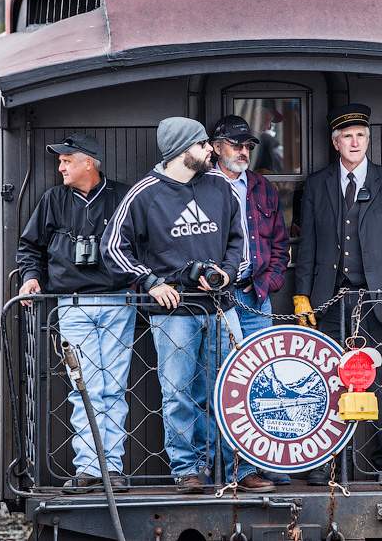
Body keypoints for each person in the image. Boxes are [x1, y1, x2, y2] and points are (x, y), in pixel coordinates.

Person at [101, 117, 275, 494]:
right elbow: (112, 247)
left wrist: (228, 273)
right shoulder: (144, 193)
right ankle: (187, 471)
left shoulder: (219, 187)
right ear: (183, 150)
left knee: (230, 390)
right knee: (179, 393)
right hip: (173, 315)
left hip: (221, 308)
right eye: (203, 146)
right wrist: (151, 282)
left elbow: (238, 242)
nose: (211, 150)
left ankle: (236, 470)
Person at [292, 104, 382, 485]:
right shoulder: (316, 184)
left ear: (368, 139)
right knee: (328, 380)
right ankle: (327, 463)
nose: (355, 142)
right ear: (335, 142)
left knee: (381, 380)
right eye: (347, 136)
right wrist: (302, 295)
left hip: (376, 301)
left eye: (361, 135)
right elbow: (308, 246)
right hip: (330, 301)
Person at [16, 133, 134, 492]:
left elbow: (145, 244)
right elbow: (30, 246)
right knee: (84, 388)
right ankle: (89, 468)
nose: (60, 166)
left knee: (112, 388)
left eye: (67, 160)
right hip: (72, 305)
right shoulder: (53, 199)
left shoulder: (123, 196)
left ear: (89, 163)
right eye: (60, 160)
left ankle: (111, 468)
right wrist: (31, 277)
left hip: (118, 303)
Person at [208, 114, 292, 485]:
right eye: (236, 144)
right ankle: (238, 470)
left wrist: (269, 281)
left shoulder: (261, 186)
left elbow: (279, 242)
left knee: (263, 382)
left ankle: (266, 463)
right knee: (229, 385)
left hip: (256, 297)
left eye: (247, 146)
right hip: (218, 301)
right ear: (215, 147)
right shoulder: (201, 186)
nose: (243, 151)